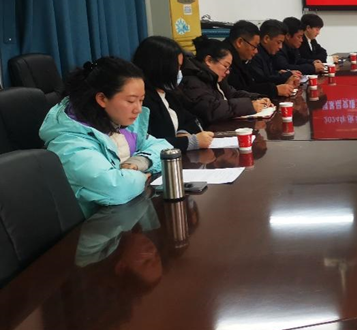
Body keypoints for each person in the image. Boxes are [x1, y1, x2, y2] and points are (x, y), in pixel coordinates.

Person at [39, 57, 173, 218]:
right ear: (102, 99)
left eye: (141, 100)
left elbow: (163, 147)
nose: (138, 109)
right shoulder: (69, 143)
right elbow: (117, 188)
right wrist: (140, 177)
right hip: (93, 226)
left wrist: (138, 162)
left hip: (124, 215)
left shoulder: (117, 121)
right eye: (131, 101)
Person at [133, 36, 214, 152]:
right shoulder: (143, 99)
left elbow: (193, 120)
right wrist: (188, 142)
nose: (179, 72)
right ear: (159, 66)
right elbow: (147, 143)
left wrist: (183, 132)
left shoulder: (170, 94)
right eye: (177, 67)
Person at [179, 37, 272, 126]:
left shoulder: (215, 78)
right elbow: (212, 109)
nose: (227, 72)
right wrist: (249, 106)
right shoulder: (192, 81)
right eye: (225, 66)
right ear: (209, 60)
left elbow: (233, 94)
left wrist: (257, 98)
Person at [226, 21, 297, 100]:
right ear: (239, 42)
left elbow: (249, 85)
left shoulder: (240, 58)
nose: (256, 51)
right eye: (254, 46)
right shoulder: (225, 59)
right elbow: (239, 91)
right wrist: (275, 90)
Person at [249, 20, 303, 91]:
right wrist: (287, 75)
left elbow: (269, 74)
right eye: (278, 42)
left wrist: (278, 73)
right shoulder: (254, 55)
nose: (280, 47)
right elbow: (262, 81)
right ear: (266, 39)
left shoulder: (268, 52)